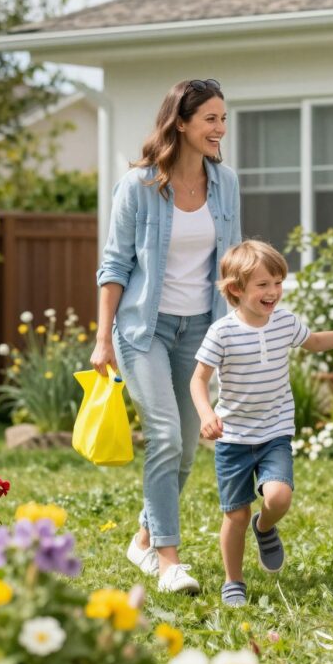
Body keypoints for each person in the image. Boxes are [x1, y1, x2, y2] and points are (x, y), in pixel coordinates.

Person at [92, 79, 241, 594]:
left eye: (223, 119)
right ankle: (168, 560)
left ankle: (142, 538)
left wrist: (240, 328)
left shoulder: (225, 183)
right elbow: (115, 264)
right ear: (181, 122)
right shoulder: (138, 186)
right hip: (144, 328)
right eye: (210, 119)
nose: (220, 129)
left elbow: (232, 262)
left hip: (200, 329)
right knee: (165, 436)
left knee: (185, 451)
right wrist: (102, 338)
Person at [191, 240, 333, 607]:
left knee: (279, 497)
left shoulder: (285, 322)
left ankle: (265, 526)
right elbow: (198, 380)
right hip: (234, 438)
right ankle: (233, 581)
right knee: (235, 514)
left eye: (278, 282)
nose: (273, 291)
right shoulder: (222, 332)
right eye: (263, 284)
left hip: (274, 432)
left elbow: (315, 341)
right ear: (236, 289)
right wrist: (207, 414)